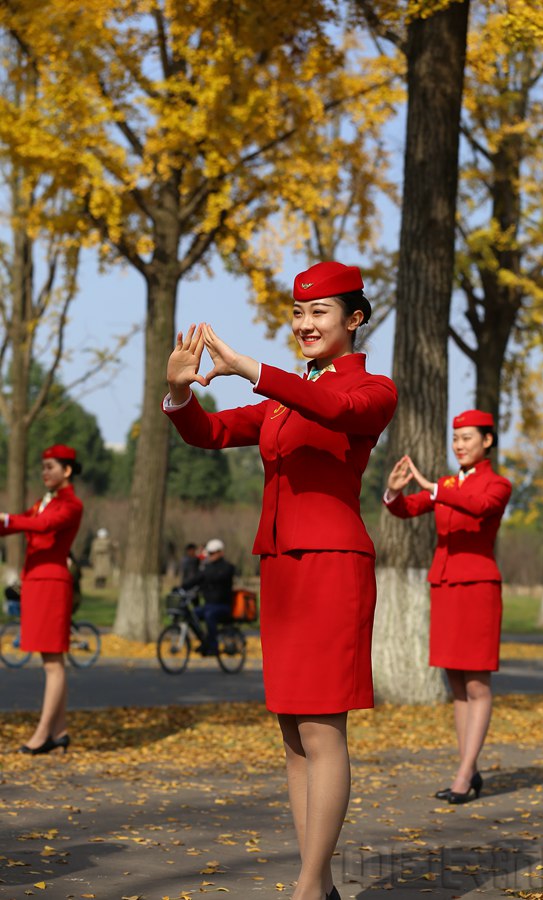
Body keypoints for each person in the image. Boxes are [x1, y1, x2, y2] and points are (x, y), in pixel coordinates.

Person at [163, 260, 397, 900]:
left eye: (319, 312)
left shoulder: (371, 389)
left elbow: (333, 407)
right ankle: (317, 883)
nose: (305, 324)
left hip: (331, 567)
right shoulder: (286, 398)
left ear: (354, 319)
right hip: (282, 570)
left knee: (322, 730)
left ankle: (308, 887)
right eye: (298, 313)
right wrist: (180, 394)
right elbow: (212, 432)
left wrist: (249, 367)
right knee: (293, 733)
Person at [384, 410, 511, 804]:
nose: (459, 445)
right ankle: (468, 769)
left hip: (477, 589)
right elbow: (406, 509)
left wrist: (435, 488)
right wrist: (393, 492)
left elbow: (480, 506)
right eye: (456, 438)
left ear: (487, 441)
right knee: (456, 684)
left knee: (477, 684)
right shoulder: (447, 485)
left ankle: (464, 774)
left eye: (467, 437)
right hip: (445, 587)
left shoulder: (498, 484)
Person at [0, 444, 84, 755]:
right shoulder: (43, 502)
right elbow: (21, 522)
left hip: (52, 584)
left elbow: (42, 525)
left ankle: (42, 734)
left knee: (53, 663)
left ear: (67, 470)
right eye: (43, 466)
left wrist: (6, 519)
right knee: (49, 660)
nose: (44, 472)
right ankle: (59, 732)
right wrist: (5, 522)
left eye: (51, 466)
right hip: (36, 582)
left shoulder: (71, 504)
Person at [182, 538, 236, 655]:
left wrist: (205, 576)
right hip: (209, 605)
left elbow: (217, 577)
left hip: (222, 606)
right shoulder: (207, 567)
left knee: (209, 615)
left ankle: (213, 647)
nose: (210, 556)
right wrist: (182, 587)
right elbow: (196, 579)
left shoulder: (227, 567)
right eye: (209, 553)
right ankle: (204, 641)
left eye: (213, 553)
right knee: (192, 614)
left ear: (220, 552)